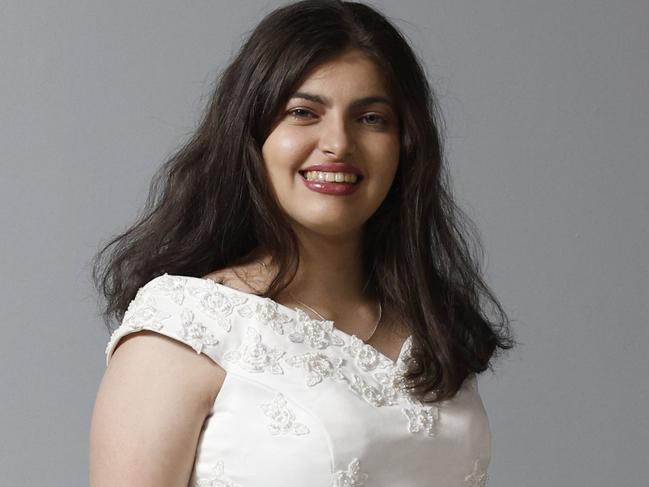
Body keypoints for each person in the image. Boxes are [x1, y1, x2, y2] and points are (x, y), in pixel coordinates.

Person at [89, 0, 515, 485]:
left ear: (406, 145)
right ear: (251, 135)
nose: (338, 143)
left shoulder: (430, 328)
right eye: (303, 112)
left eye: (372, 118)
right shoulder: (185, 327)